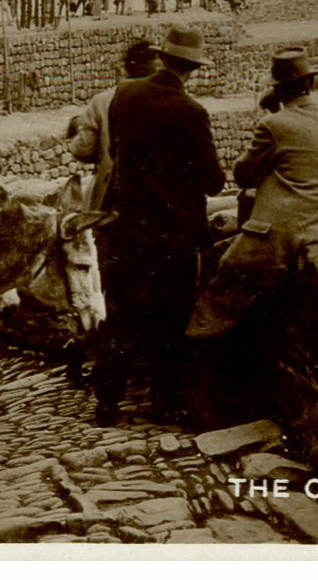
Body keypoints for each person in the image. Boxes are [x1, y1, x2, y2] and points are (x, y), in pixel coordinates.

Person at [187, 48, 318, 427]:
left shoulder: (276, 126)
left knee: (214, 299)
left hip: (279, 240)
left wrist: (269, 116)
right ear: (310, 82)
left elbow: (243, 175)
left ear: (279, 90)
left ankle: (209, 409)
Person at [95, 25, 226, 425]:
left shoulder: (124, 94)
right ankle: (164, 404)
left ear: (163, 58)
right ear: (192, 68)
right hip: (173, 235)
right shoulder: (191, 112)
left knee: (120, 316)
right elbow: (213, 180)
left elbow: (116, 152)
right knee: (170, 320)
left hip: (125, 227)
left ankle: (107, 403)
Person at [70, 39, 160, 213]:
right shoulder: (173, 102)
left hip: (112, 196)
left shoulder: (103, 101)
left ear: (126, 69)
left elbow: (82, 149)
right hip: (158, 199)